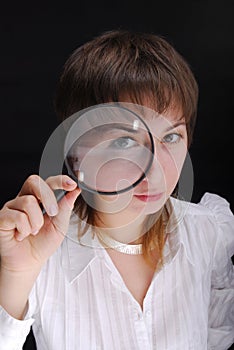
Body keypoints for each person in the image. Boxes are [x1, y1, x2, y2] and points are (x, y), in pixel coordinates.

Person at [0, 30, 233, 350]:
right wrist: (16, 273)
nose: (156, 170)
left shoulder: (210, 234)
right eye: (124, 141)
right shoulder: (40, 252)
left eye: (172, 137)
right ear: (75, 152)